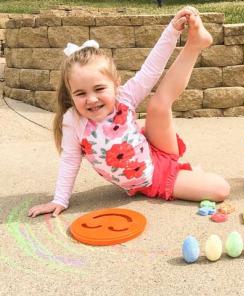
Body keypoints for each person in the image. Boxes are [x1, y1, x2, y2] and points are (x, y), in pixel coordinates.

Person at [28, 6, 230, 218]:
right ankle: (191, 176)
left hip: (157, 151)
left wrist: (172, 30)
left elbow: (151, 69)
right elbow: (70, 159)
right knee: (220, 189)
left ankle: (194, 45)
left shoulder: (123, 98)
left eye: (99, 89)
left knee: (158, 106)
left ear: (116, 84)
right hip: (154, 179)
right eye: (80, 93)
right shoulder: (74, 121)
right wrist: (59, 200)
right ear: (70, 94)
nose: (91, 99)